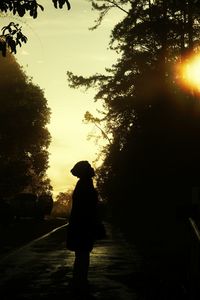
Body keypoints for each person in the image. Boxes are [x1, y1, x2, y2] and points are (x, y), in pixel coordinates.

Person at [66, 160, 100, 292]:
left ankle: (79, 281)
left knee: (81, 254)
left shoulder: (84, 184)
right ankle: (80, 280)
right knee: (82, 254)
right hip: (84, 224)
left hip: (82, 225)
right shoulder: (87, 184)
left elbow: (84, 208)